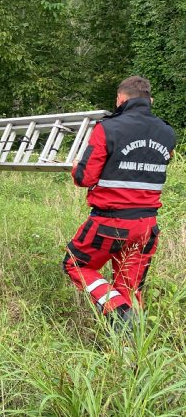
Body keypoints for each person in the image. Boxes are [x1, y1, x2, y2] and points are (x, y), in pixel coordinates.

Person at [62, 75, 176, 331]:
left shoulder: (108, 128)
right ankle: (131, 351)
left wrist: (75, 169)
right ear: (150, 100)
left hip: (109, 222)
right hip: (147, 225)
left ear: (121, 99)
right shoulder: (168, 132)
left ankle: (118, 310)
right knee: (130, 286)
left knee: (75, 264)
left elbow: (85, 177)